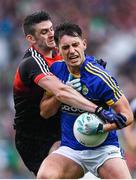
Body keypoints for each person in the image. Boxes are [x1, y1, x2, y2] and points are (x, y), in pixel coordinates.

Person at [13, 11, 112, 176]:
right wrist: (98, 110)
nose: (52, 34)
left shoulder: (60, 54)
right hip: (34, 137)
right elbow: (61, 91)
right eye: (44, 32)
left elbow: (82, 65)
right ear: (31, 39)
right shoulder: (31, 63)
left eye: (51, 29)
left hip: (60, 127)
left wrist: (92, 67)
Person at [38, 22, 134, 179]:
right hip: (71, 150)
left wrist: (101, 128)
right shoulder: (55, 72)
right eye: (66, 47)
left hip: (104, 150)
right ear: (58, 51)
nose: (72, 51)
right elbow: (45, 112)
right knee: (45, 176)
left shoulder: (100, 77)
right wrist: (61, 93)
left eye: (75, 45)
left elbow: (127, 115)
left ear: (84, 44)